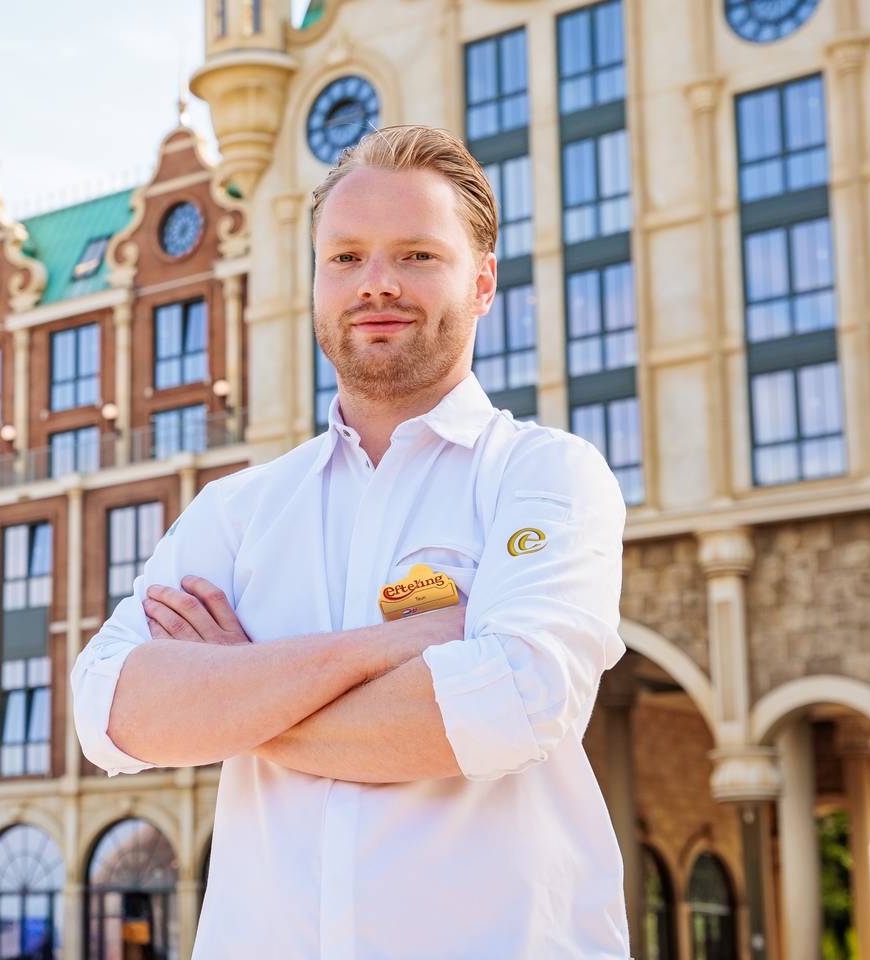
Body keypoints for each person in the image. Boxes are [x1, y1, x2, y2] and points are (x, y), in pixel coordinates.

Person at [72, 124, 630, 959]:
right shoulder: (238, 509)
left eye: (416, 256)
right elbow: (109, 710)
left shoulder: (546, 476)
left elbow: (512, 706)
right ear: (314, 284)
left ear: (481, 284)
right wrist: (395, 645)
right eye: (346, 258)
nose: (377, 284)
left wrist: (235, 695)